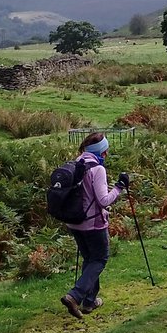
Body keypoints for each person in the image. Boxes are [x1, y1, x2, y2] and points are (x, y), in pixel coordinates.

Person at [60, 133, 128, 319]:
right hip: (93, 223)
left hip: (74, 222)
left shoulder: (77, 163)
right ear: (102, 152)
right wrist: (120, 187)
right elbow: (104, 200)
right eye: (106, 151)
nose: (107, 154)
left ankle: (89, 302)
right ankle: (74, 296)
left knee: (90, 260)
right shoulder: (97, 169)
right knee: (99, 259)